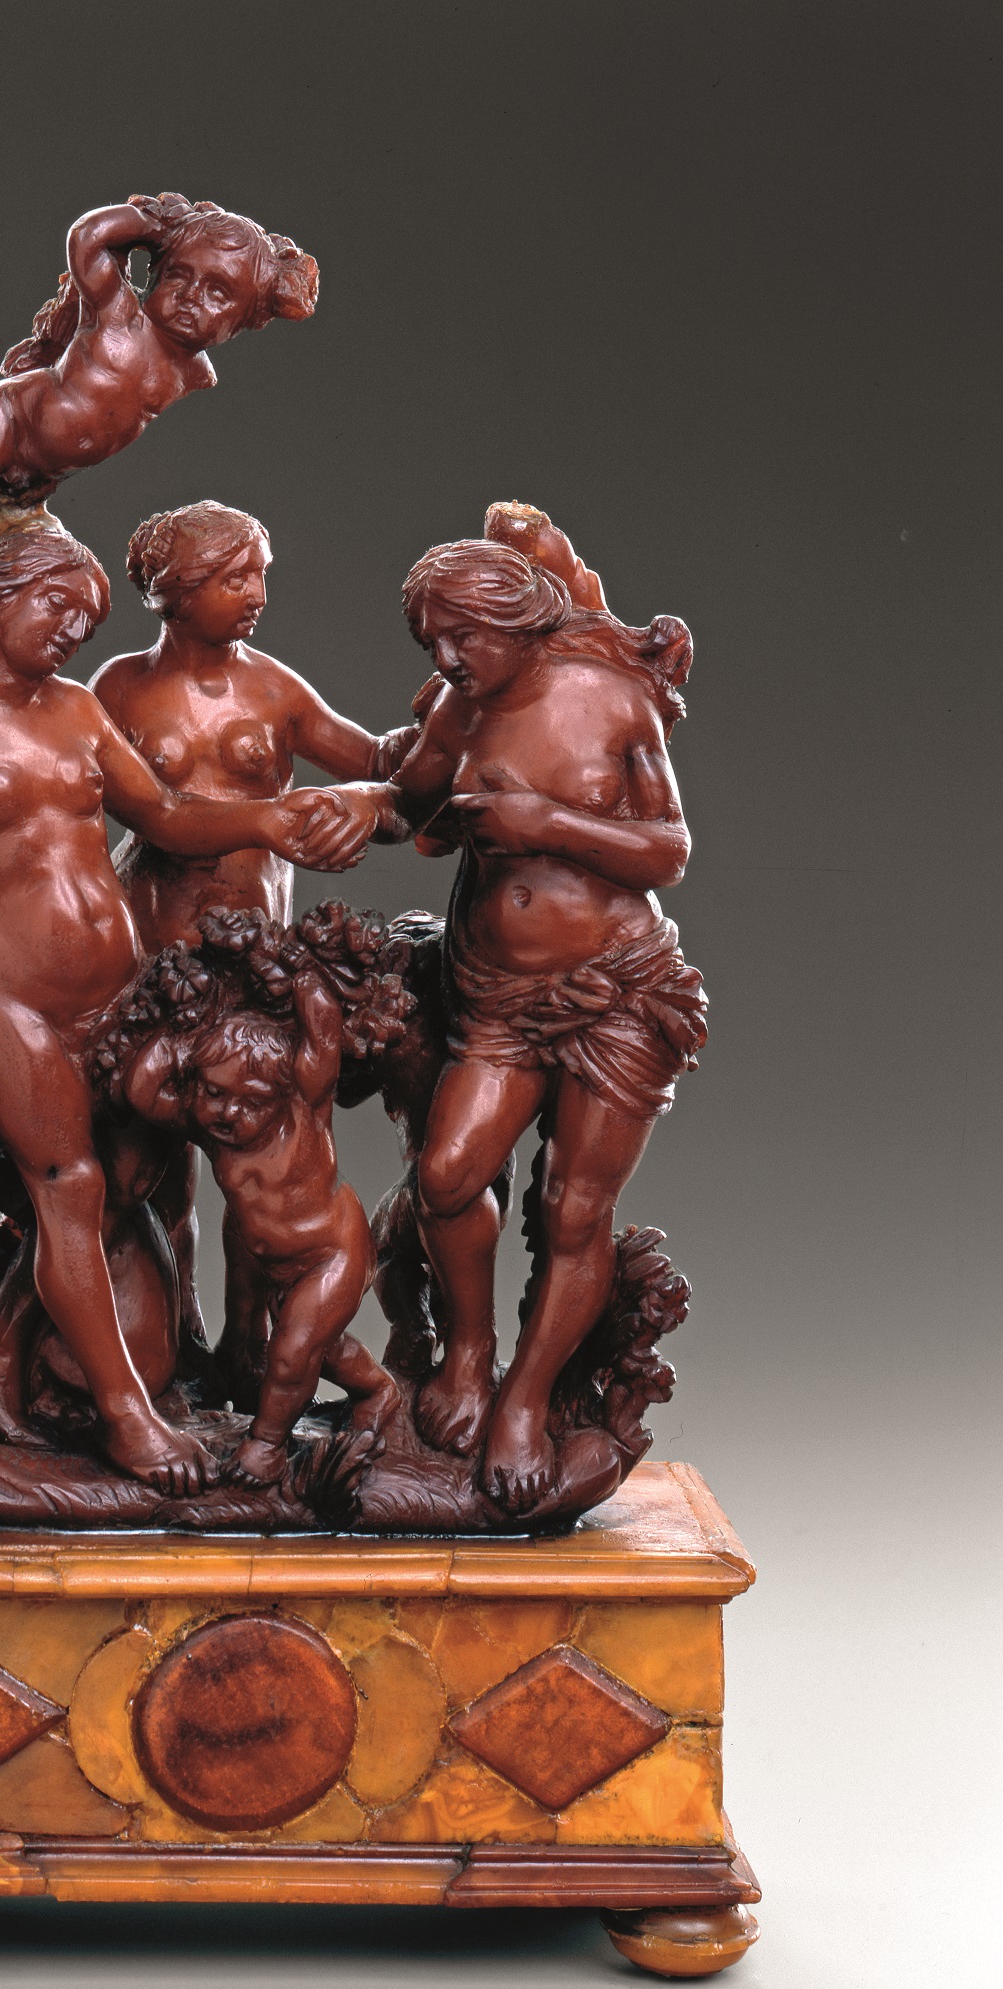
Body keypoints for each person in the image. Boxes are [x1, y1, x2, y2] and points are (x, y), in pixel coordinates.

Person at [0, 515, 370, 1496]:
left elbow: (164, 815)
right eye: (57, 606)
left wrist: (269, 820)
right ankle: (127, 1417)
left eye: (86, 613)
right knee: (69, 1187)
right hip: (14, 996)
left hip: (116, 984)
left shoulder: (76, 709)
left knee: (132, 1172)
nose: (75, 629)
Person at [353, 525, 706, 1516]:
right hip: (496, 998)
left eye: (460, 637)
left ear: (513, 623)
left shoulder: (612, 699)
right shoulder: (457, 707)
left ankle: (526, 1397)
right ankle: (469, 1352)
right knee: (447, 1176)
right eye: (431, 642)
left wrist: (545, 824)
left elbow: (668, 849)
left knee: (571, 1210)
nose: (446, 657)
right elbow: (404, 805)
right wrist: (315, 800)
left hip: (617, 988)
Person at [89, 498, 416, 1376]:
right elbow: (149, 815)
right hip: (153, 957)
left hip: (257, 965)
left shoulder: (275, 689)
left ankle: (248, 1351)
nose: (256, 593)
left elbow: (389, 775)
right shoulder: (116, 691)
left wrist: (366, 802)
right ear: (171, 590)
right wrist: (269, 817)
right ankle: (170, 1342)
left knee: (267, 1172)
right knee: (148, 1169)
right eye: (234, 577)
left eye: (260, 574)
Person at [121, 971, 402, 1485]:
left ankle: (267, 1445)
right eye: (215, 1092)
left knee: (293, 1351)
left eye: (252, 1102)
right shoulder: (212, 1129)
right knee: (319, 1348)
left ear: (282, 1093)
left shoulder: (303, 1109)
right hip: (265, 1258)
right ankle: (376, 1390)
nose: (230, 1112)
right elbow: (143, 1093)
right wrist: (178, 1038)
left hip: (330, 1255)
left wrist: (297, 974)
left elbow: (324, 1037)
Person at [0, 196, 318, 497]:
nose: (190, 296)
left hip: (44, 471)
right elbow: (87, 237)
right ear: (157, 273)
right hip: (9, 421)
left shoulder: (195, 373)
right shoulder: (119, 314)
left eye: (217, 292)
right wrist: (155, 228)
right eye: (179, 275)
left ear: (247, 319)